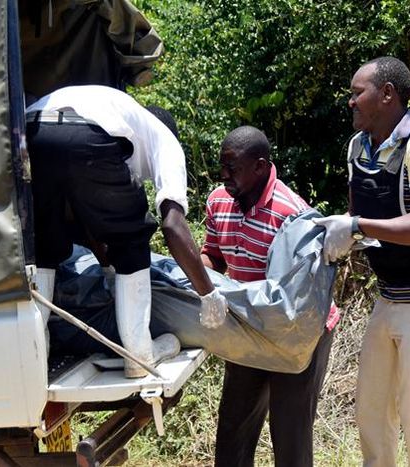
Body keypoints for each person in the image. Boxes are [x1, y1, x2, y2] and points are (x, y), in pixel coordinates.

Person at [314, 56, 410, 467]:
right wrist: (341, 239)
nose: (350, 102)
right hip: (391, 297)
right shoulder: (357, 147)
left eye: (356, 92)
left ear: (387, 95)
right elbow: (362, 218)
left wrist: (356, 225)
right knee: (372, 409)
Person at [25, 85, 226, 377]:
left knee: (43, 247)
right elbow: (173, 225)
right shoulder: (166, 140)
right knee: (133, 238)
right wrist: (208, 294)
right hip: (85, 133)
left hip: (32, 131)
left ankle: (33, 356)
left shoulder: (121, 118)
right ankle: (140, 355)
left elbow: (91, 215)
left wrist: (108, 268)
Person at [200, 126, 339, 467]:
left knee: (290, 435)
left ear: (260, 167)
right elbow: (212, 256)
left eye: (233, 167)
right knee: (233, 431)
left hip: (300, 331)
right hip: (248, 327)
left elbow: (300, 296)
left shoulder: (292, 213)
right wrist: (201, 282)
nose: (224, 175)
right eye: (222, 166)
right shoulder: (218, 201)